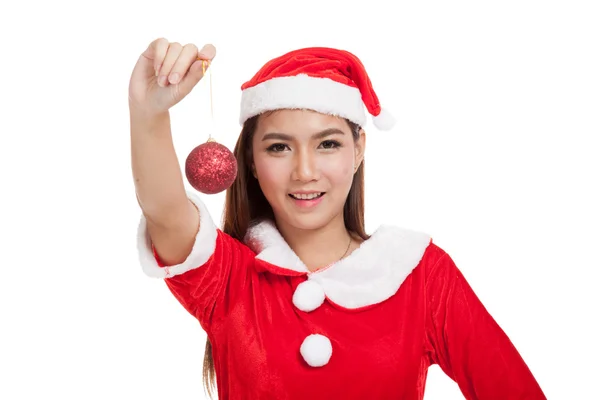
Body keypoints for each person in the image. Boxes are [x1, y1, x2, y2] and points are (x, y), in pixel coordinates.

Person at [129, 38, 546, 400]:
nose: (305, 172)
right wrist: (148, 112)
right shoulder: (229, 280)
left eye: (327, 144)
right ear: (252, 162)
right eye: (278, 148)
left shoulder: (419, 275)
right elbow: (165, 212)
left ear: (359, 148)